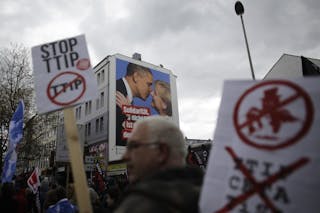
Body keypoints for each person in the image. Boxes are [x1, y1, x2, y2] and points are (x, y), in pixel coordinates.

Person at [115, 116, 204, 213]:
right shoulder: (214, 200)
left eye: (134, 146)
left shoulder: (138, 206)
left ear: (162, 152)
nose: (124, 156)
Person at [116, 63, 153, 146]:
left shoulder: (126, 98)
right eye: (149, 84)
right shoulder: (117, 91)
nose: (151, 90)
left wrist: (129, 110)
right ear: (136, 77)